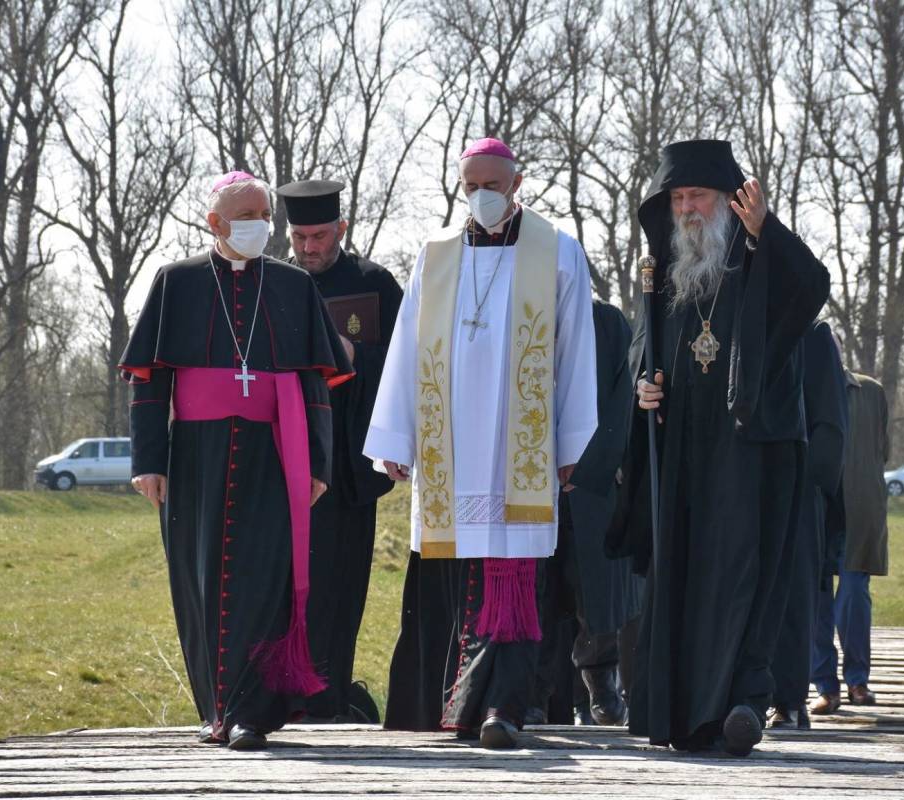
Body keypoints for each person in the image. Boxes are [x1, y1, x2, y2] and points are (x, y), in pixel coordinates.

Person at [364, 137, 598, 749]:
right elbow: (406, 349)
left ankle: (504, 707)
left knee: (515, 579)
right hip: (451, 450)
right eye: (471, 186)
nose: (482, 196)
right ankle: (459, 708)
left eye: (493, 185)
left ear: (516, 184)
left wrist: (573, 445)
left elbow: (576, 352)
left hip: (519, 449)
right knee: (459, 580)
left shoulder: (557, 251)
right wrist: (397, 438)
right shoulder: (436, 253)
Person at [610, 139, 830, 756]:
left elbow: (812, 287)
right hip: (683, 450)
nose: (687, 208)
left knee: (741, 576)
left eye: (698, 196)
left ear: (729, 201)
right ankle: (680, 713)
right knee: (683, 575)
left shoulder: (759, 255)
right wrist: (644, 387)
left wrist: (767, 231)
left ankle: (743, 704)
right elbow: (644, 350)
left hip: (749, 451)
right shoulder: (666, 272)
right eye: (678, 197)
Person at [121, 171, 354, 751]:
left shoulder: (293, 285)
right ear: (215, 223)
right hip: (195, 456)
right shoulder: (176, 281)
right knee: (199, 580)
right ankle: (216, 708)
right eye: (246, 216)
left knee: (264, 577)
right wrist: (149, 461)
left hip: (273, 452)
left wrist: (318, 465)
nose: (260, 225)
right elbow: (150, 381)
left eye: (265, 215)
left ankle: (250, 712)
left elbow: (314, 382)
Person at [276, 179, 403, 723]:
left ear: (341, 229)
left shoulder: (375, 284)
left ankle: (329, 700)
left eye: (320, 236)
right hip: (285, 462)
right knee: (287, 592)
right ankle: (284, 698)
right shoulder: (274, 283)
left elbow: (406, 364)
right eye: (299, 237)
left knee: (340, 589)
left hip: (349, 466)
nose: (309, 248)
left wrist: (355, 354)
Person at [530, 299, 643, 727]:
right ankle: (534, 695)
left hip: (592, 483)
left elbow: (624, 395)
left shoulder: (606, 323)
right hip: (531, 480)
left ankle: (600, 685)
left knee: (593, 589)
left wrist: (598, 463)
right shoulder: (521, 316)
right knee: (539, 590)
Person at [766, 322, 848, 729]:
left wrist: (811, 486)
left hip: (800, 489)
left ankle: (789, 698)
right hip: (750, 485)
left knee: (795, 597)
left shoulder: (813, 335)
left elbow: (830, 423)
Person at [810, 368, 889, 715]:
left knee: (854, 595)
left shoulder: (870, 391)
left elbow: (882, 448)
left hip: (858, 513)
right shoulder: (802, 385)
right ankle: (826, 687)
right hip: (814, 511)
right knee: (816, 603)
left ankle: (858, 681)